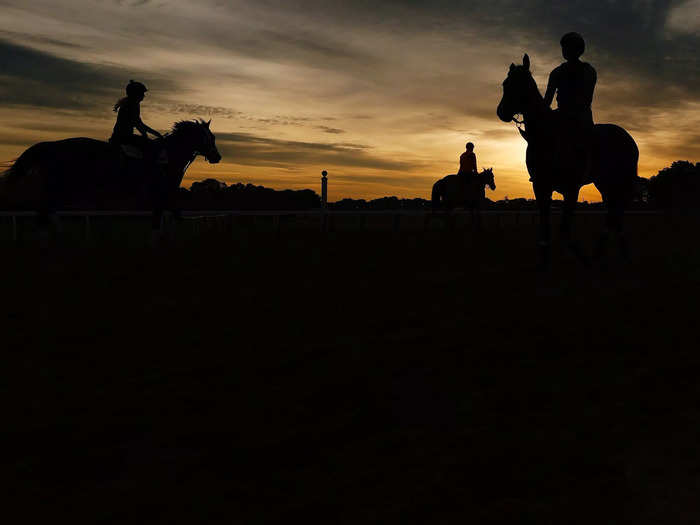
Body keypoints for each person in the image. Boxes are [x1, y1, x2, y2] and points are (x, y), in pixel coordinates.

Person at [543, 32, 596, 179]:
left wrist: (568, 110)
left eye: (568, 47)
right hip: (561, 113)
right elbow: (547, 101)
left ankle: (586, 167)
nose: (565, 50)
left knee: (585, 139)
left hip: (580, 115)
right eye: (564, 47)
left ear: (578, 50)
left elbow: (587, 98)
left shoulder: (588, 71)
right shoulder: (556, 72)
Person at [110, 80, 164, 172]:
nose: (144, 96)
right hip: (124, 137)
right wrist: (154, 134)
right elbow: (138, 124)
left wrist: (148, 133)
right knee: (151, 147)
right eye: (142, 93)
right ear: (136, 94)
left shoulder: (129, 103)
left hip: (120, 135)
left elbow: (138, 123)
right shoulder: (131, 105)